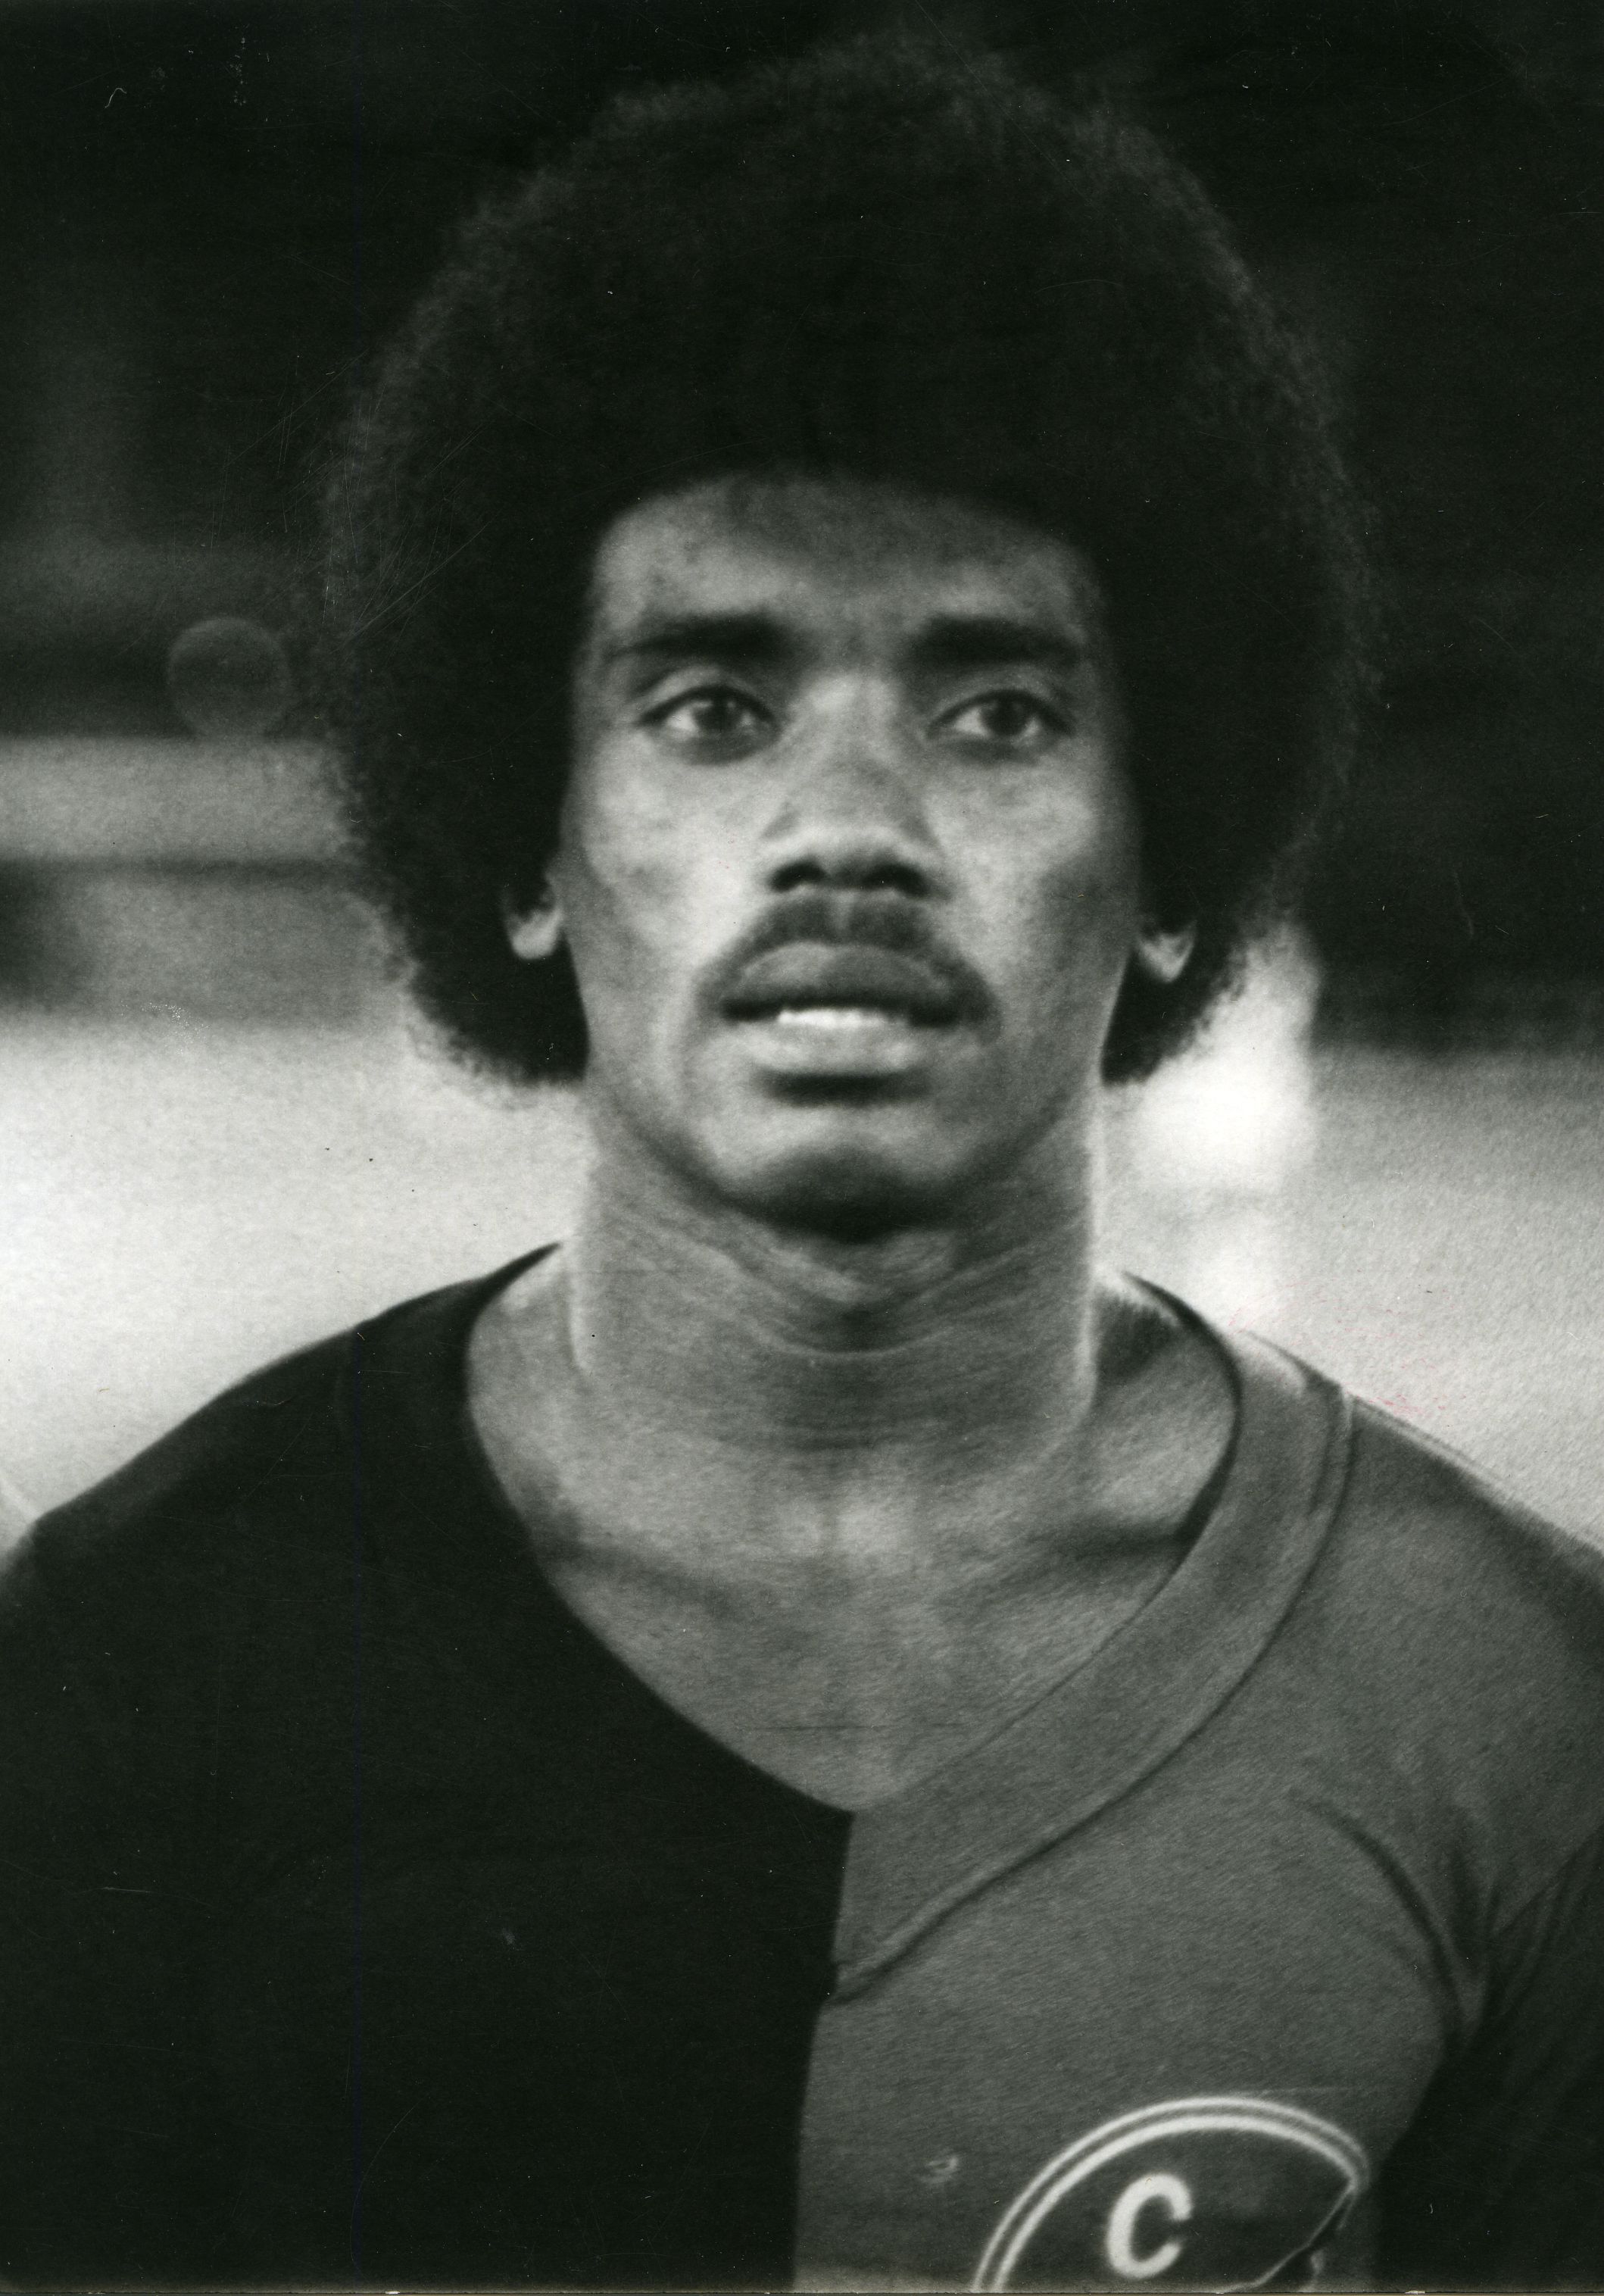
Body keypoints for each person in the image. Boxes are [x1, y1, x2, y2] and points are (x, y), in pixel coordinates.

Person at [2, 36, 1601, 2294]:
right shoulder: (139, 1657)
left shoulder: (1511, 1705)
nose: (850, 830)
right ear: (528, 847)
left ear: (1176, 859)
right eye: (713, 709)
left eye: (998, 713)